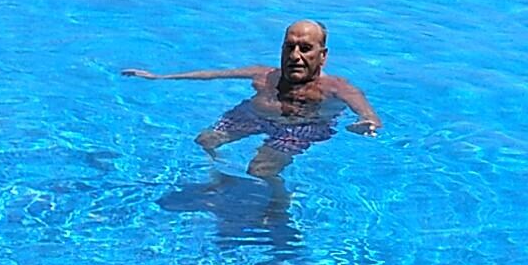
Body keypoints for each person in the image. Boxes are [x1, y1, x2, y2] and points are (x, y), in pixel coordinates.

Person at [123, 20, 382, 182]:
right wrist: (158, 77)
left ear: (322, 56)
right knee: (205, 140)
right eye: (289, 47)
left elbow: (367, 113)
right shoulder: (264, 74)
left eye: (305, 48)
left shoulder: (337, 87)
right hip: (255, 115)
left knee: (259, 171)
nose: (295, 55)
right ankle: (218, 176)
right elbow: (211, 75)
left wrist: (366, 123)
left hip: (301, 126)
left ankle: (280, 202)